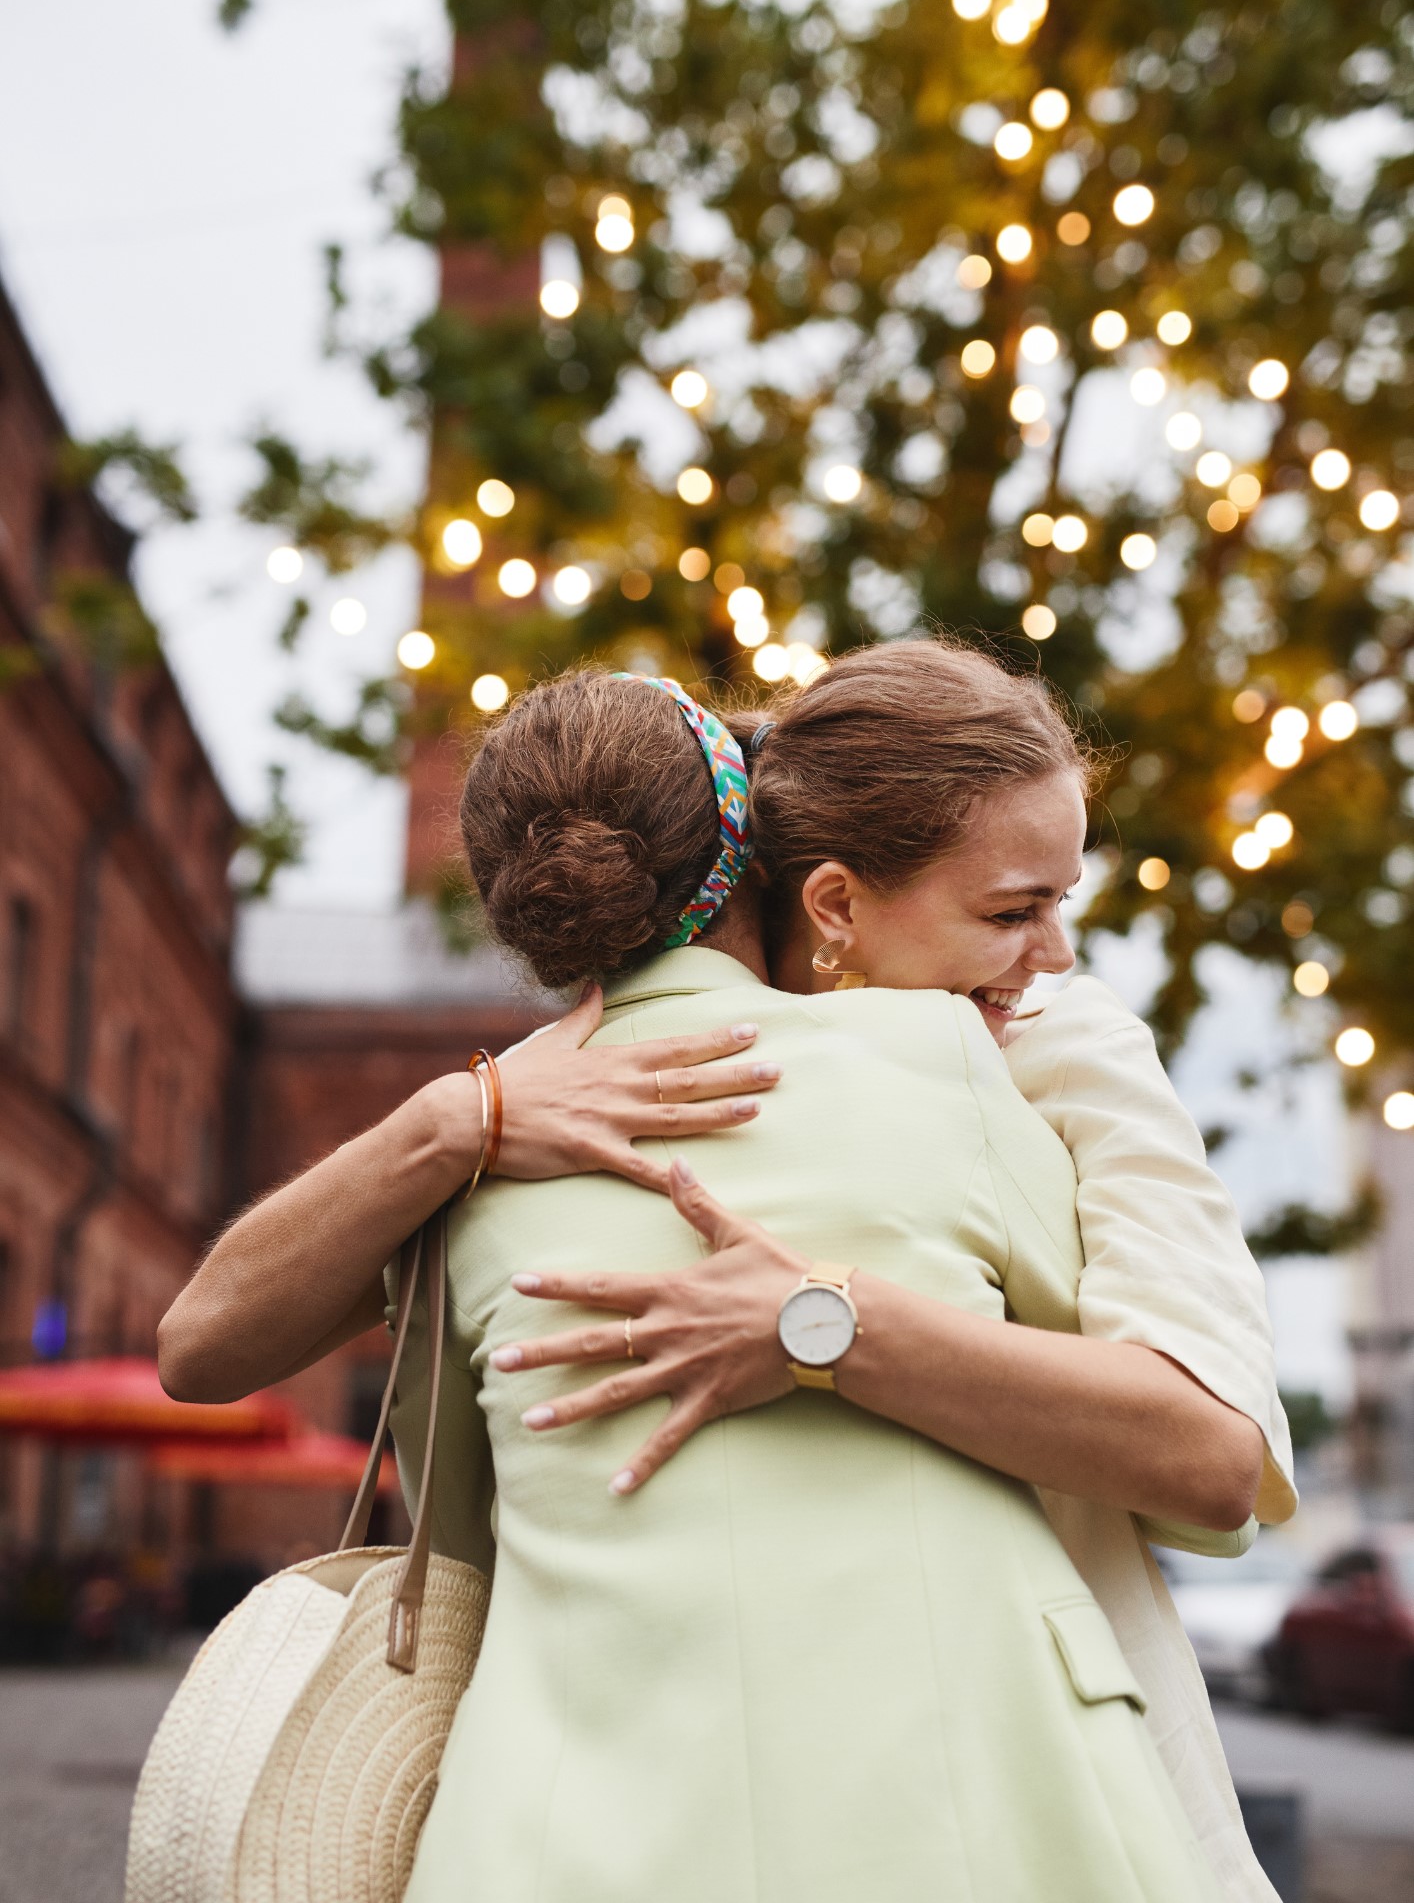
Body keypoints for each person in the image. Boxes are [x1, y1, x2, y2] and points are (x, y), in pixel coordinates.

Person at [160, 645, 1283, 1901]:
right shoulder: (550, 1103)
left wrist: (817, 1321)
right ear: (833, 900)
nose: (1053, 955)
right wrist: (451, 1119)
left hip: (598, 1822)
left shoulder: (1034, 1036)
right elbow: (207, 1344)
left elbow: (1202, 1447)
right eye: (1013, 911)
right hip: (971, 1799)